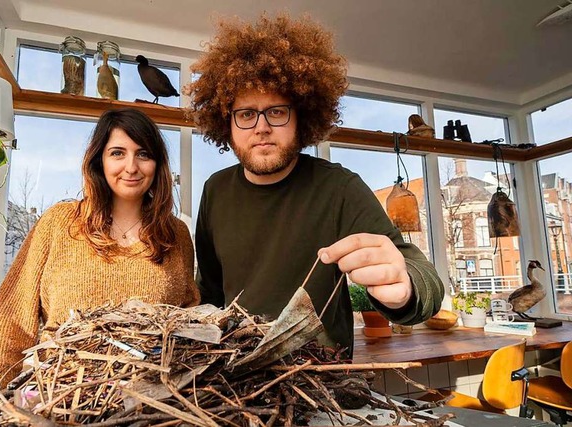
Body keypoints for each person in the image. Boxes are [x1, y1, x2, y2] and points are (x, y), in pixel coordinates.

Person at [184, 14, 444, 357]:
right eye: (246, 114)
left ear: (302, 118)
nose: (261, 127)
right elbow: (211, 291)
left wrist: (406, 289)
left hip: (322, 385)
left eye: (276, 112)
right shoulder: (215, 190)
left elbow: (421, 276)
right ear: (226, 122)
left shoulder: (340, 188)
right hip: (237, 378)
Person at [0, 108, 199, 405]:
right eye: (118, 153)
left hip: (149, 405)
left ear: (158, 164)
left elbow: (189, 320)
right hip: (55, 397)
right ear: (99, 160)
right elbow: (9, 323)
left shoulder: (175, 235)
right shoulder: (59, 223)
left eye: (144, 154)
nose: (131, 166)